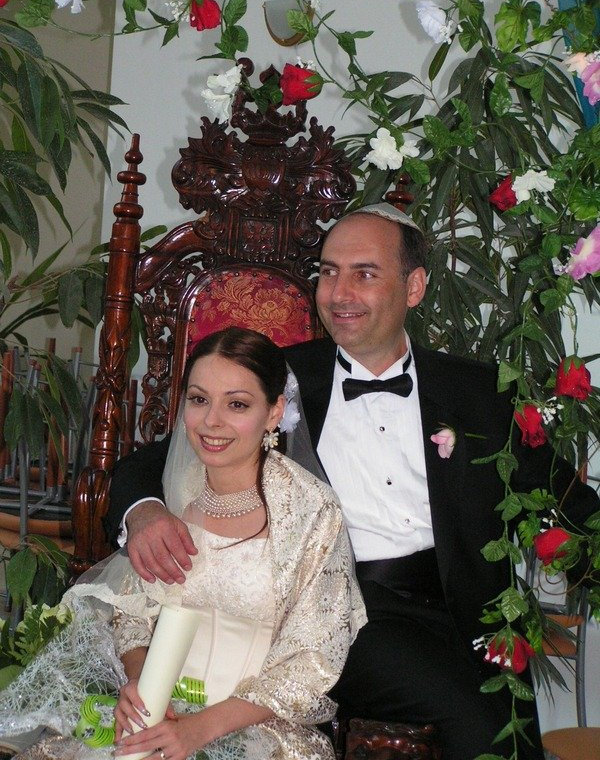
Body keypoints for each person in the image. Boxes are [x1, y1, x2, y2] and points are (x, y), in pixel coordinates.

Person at [106, 204, 600, 760]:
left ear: (414, 287)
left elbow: (566, 503)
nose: (339, 293)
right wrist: (144, 510)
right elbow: (159, 458)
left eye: (364, 274)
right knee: (477, 721)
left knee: (514, 724)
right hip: (343, 612)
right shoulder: (279, 378)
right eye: (329, 272)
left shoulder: (481, 392)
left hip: (472, 612)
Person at [0, 327, 366, 760]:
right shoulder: (170, 492)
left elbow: (311, 660)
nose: (211, 421)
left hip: (255, 729)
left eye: (237, 404)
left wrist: (197, 730)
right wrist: (141, 687)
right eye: (198, 399)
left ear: (274, 412)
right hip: (159, 713)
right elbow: (132, 617)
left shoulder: (312, 511)